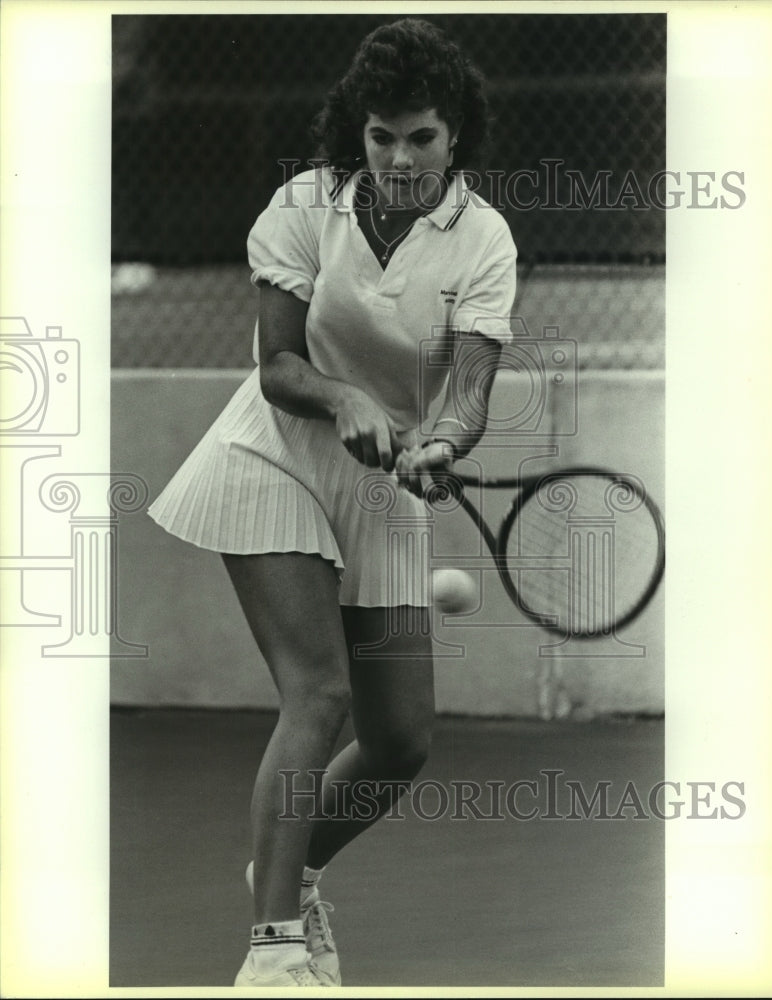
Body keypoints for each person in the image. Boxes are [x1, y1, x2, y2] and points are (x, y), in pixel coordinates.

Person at [148, 17, 517, 988]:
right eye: (381, 135)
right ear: (359, 130)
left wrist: (441, 442)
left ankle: (287, 871)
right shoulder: (304, 206)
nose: (400, 159)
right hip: (271, 455)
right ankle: (272, 951)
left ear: (455, 136)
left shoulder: (485, 241)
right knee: (317, 691)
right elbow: (278, 366)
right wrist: (345, 397)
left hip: (381, 480)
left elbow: (468, 392)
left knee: (399, 741)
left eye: (422, 137)